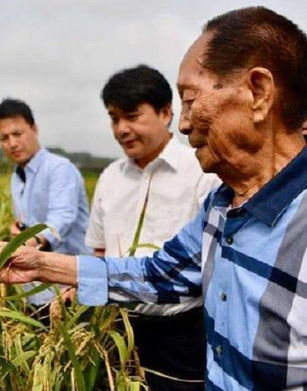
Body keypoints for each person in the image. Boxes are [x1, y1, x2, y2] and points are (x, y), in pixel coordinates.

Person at [0, 6, 307, 390]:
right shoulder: (221, 207)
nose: (185, 124)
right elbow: (156, 274)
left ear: (258, 92)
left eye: (190, 99)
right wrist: (40, 265)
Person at [83, 64, 220, 390]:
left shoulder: (201, 171)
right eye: (114, 118)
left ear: (165, 112)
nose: (121, 129)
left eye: (132, 116)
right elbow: (99, 249)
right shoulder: (110, 177)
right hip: (116, 328)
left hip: (180, 332)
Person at [0, 98, 90, 320]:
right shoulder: (17, 176)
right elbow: (29, 221)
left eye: (18, 134)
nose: (12, 143)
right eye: (4, 138)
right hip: (34, 290)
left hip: (67, 290)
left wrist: (26, 242)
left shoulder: (59, 169)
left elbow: (62, 217)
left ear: (34, 129)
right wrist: (19, 229)